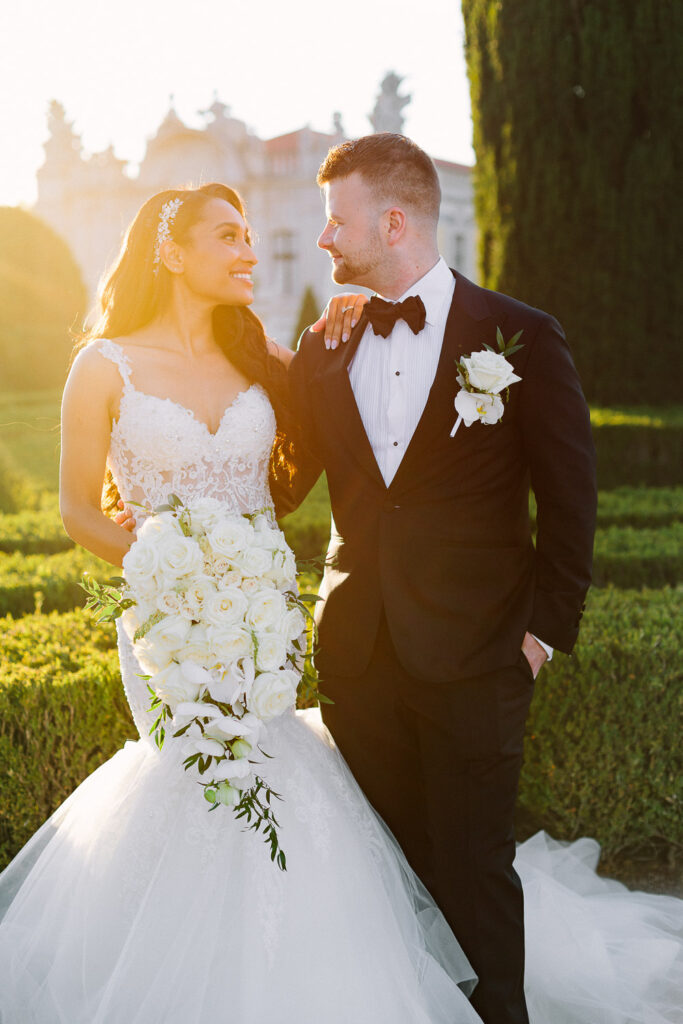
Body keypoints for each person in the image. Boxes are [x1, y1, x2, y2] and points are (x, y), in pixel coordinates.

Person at [0, 182, 482, 1024]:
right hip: (166, 615)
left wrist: (345, 330)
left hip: (264, 614)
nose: (249, 253)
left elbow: (351, 425)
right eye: (228, 236)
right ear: (172, 253)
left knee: (274, 754)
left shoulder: (261, 353)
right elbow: (79, 510)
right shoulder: (102, 365)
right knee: (187, 774)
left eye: (252, 237)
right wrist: (165, 565)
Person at [274, 134, 683, 1024]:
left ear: (392, 221)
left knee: (472, 864)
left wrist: (540, 633)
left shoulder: (521, 336)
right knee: (380, 863)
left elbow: (571, 497)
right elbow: (282, 479)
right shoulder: (327, 344)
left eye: (335, 221)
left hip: (477, 653)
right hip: (356, 653)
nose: (323, 241)